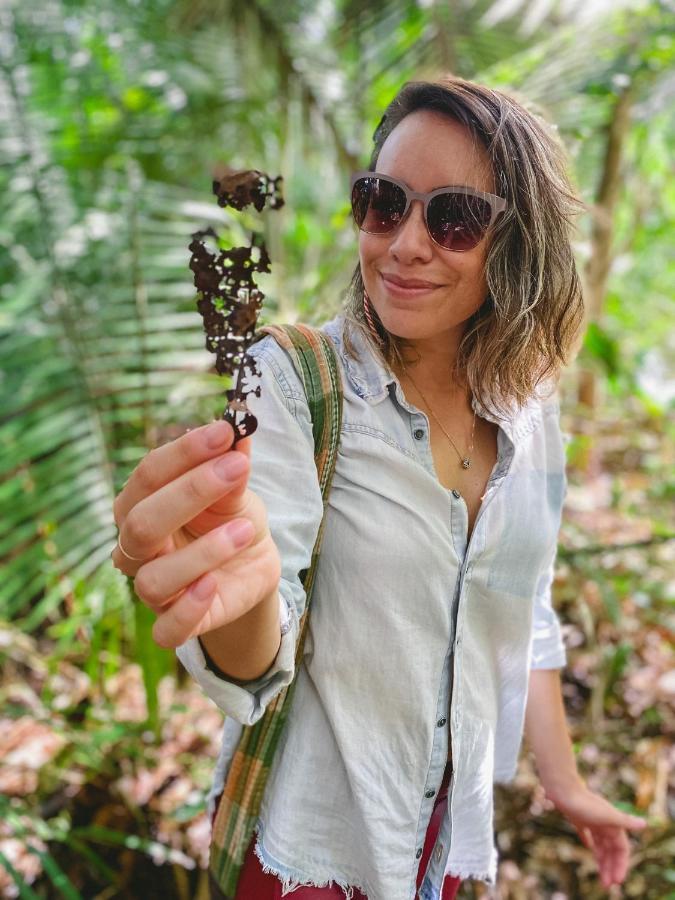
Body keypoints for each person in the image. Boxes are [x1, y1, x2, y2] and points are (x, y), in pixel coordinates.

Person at [111, 76, 648, 900]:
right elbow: (261, 644)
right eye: (383, 201)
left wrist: (566, 784)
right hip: (314, 855)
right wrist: (240, 586)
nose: (403, 243)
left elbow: (521, 612)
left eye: (454, 217)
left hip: (446, 846)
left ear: (516, 244)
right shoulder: (295, 381)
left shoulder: (529, 412)